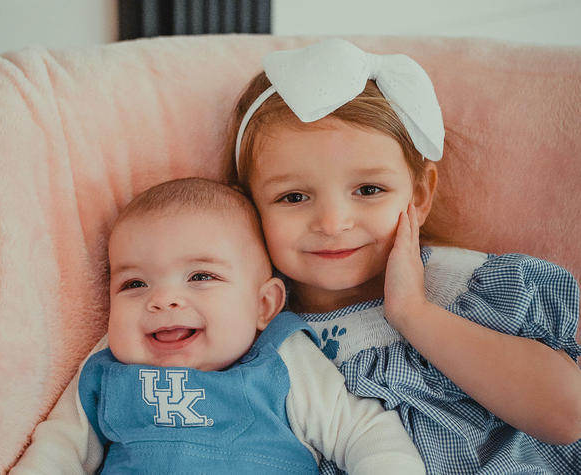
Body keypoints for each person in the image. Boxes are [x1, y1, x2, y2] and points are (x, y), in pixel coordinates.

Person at [229, 38, 581, 474]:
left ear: (417, 196)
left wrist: (414, 313)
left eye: (368, 190)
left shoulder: (463, 288)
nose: (333, 223)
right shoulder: (258, 334)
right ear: (249, 208)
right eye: (294, 196)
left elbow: (568, 415)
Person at [11, 177, 425, 474]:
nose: (163, 299)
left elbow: (361, 431)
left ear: (264, 305)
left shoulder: (281, 358)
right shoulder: (105, 370)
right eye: (134, 283)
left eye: (200, 277)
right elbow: (59, 448)